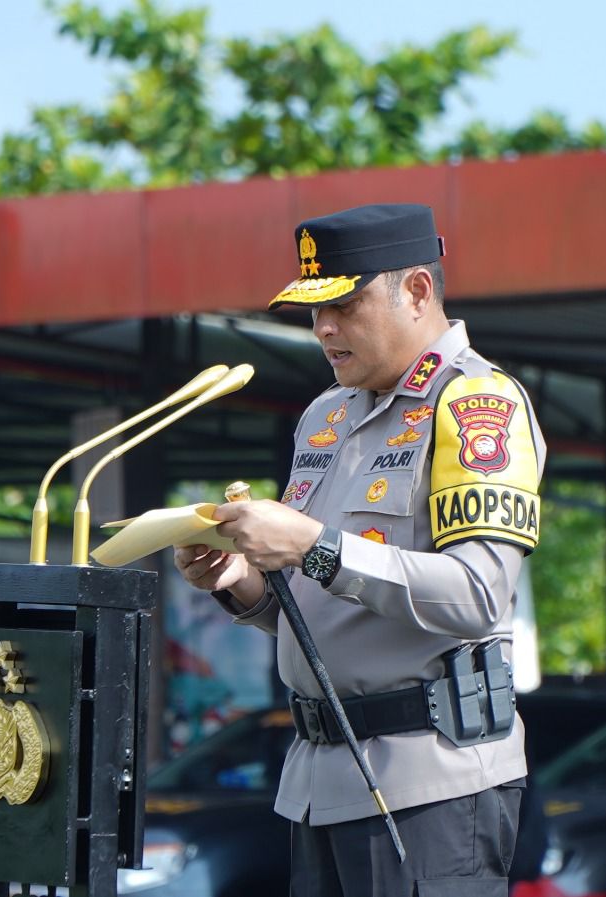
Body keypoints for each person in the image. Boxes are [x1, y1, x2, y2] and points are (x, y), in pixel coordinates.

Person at [173, 203, 546, 897]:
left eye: (344, 304)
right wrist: (241, 581)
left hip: (430, 784)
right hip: (318, 778)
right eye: (314, 311)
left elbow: (476, 595)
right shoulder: (326, 415)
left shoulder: (473, 402)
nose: (322, 328)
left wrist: (312, 543)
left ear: (416, 291)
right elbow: (318, 603)